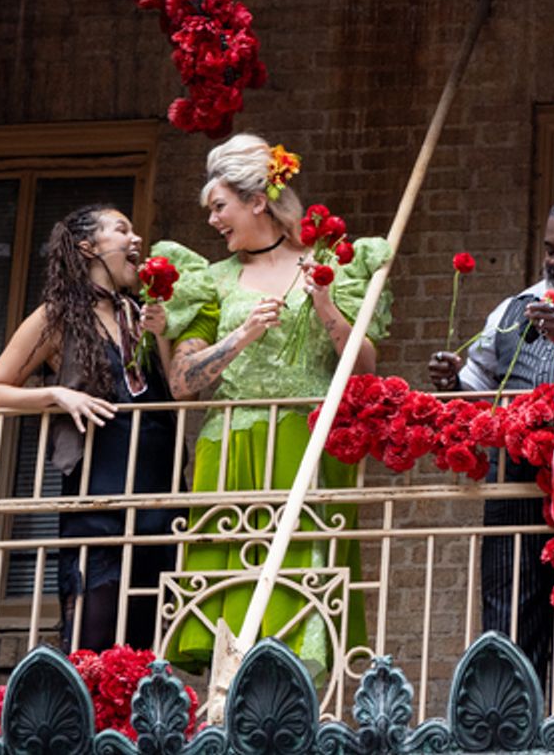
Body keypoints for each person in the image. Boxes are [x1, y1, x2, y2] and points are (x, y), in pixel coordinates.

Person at [154, 134, 392, 675]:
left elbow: (364, 368)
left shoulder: (331, 266)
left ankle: (296, 697)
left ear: (257, 201)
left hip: (307, 442)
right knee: (230, 587)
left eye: (220, 206)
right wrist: (241, 336)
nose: (213, 220)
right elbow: (182, 382)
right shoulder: (213, 281)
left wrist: (325, 303)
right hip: (230, 447)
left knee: (302, 579)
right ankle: (229, 695)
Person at [428, 194, 554, 712]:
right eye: (551, 250)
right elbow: (480, 388)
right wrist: (453, 383)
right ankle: (507, 729)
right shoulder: (513, 309)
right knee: (510, 618)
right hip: (517, 495)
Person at [0, 205, 181, 653]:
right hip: (99, 495)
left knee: (149, 640)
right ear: (88, 247)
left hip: (160, 493)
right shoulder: (57, 316)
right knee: (94, 633)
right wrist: (57, 395)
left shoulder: (142, 312)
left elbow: (176, 394)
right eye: (122, 230)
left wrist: (163, 333)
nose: (136, 239)